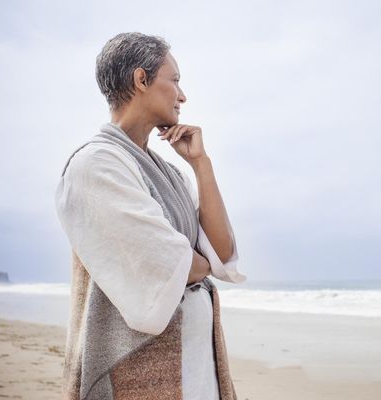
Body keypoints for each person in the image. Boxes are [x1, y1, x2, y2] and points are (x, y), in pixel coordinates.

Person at [54, 32, 246, 400]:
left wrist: (200, 165)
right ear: (141, 80)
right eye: (174, 80)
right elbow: (168, 263)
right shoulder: (96, 164)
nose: (183, 95)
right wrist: (201, 262)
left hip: (198, 369)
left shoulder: (171, 173)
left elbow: (221, 252)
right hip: (137, 373)